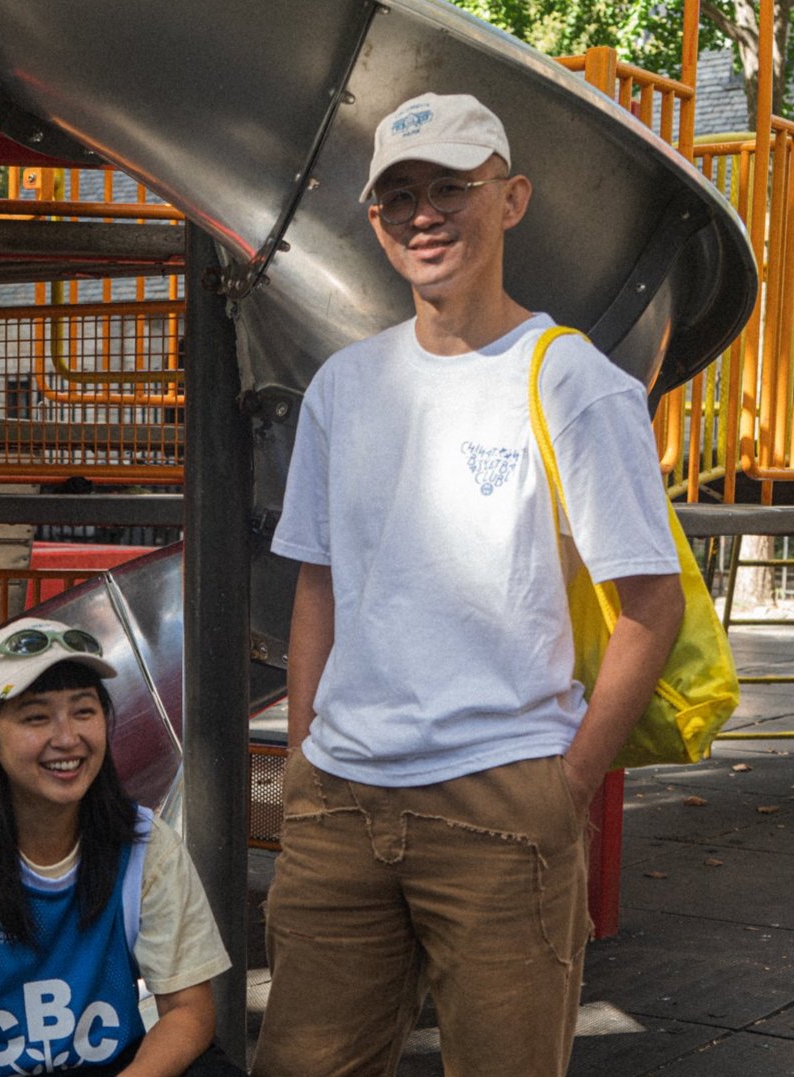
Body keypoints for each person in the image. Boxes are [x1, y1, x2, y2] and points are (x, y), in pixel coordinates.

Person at [251, 92, 685, 1077]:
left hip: (501, 801)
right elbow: (319, 585)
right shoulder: (344, 388)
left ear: (511, 199)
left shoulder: (571, 383)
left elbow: (647, 610)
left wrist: (561, 788)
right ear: (371, 221)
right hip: (342, 798)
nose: (422, 213)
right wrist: (309, 766)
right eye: (397, 194)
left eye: (450, 186)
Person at [0, 616, 246, 1077]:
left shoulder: (145, 845)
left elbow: (190, 1011)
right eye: (36, 717)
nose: (67, 739)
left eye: (84, 711)